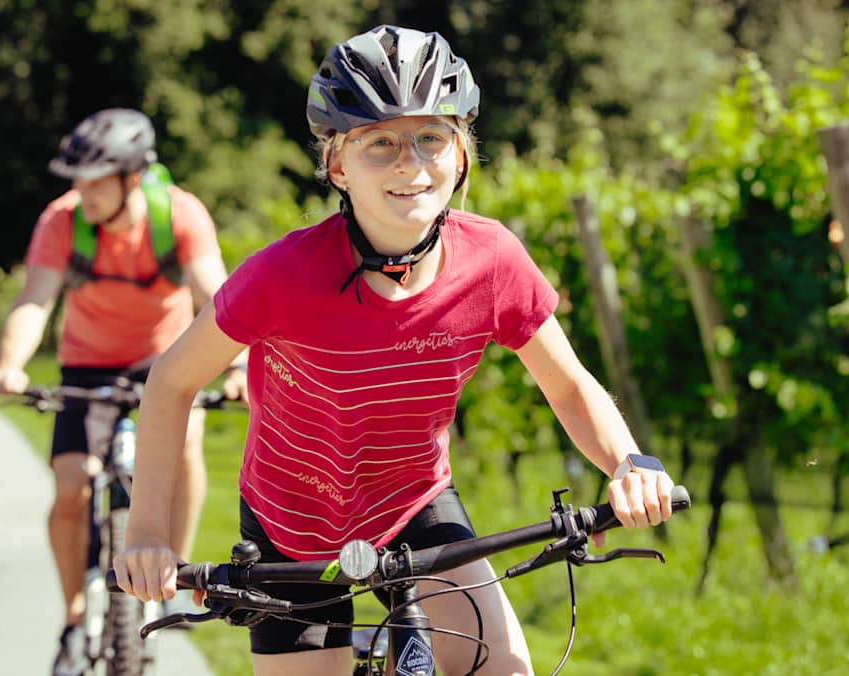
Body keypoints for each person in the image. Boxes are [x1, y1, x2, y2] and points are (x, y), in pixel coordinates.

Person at [113, 26, 677, 675]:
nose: (410, 163)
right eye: (378, 143)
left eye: (430, 138)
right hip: (290, 522)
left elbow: (568, 385)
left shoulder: (491, 261)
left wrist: (628, 462)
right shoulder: (280, 276)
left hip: (414, 505)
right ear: (336, 166)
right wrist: (150, 535)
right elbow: (172, 382)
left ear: (461, 155)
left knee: (502, 669)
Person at [0, 107, 246, 675]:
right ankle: (75, 615)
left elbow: (217, 298)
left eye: (98, 180)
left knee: (188, 442)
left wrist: (238, 366)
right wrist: (10, 365)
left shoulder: (178, 215)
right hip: (87, 366)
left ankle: (173, 568)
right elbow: (35, 300)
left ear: (134, 177)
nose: (84, 192)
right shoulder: (63, 221)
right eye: (79, 179)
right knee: (72, 484)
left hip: (165, 361)